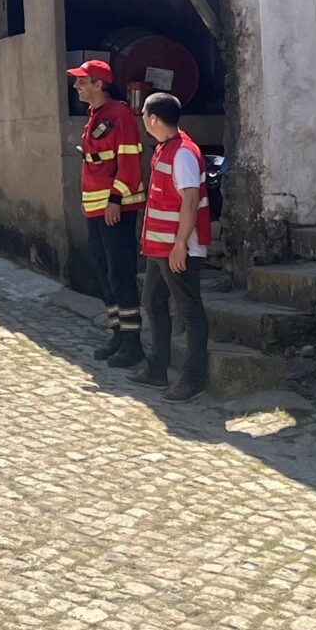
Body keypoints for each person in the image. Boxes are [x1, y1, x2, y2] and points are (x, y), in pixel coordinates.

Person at [126, 92, 210, 402]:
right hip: (158, 248)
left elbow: (190, 200)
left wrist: (179, 245)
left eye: (144, 115)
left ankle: (193, 377)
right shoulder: (165, 149)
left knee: (190, 311)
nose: (143, 121)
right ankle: (157, 368)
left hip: (176, 249)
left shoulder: (183, 153)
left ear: (153, 119)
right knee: (153, 303)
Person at [69, 61, 148, 366]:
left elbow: (128, 162)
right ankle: (118, 333)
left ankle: (133, 342)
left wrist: (115, 199)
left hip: (115, 209)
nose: (77, 87)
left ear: (99, 84)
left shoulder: (120, 116)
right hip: (96, 209)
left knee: (120, 273)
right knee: (104, 272)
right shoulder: (96, 117)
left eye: (82, 82)